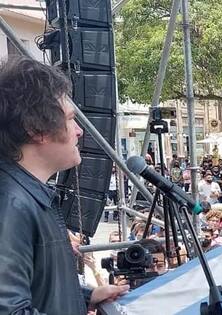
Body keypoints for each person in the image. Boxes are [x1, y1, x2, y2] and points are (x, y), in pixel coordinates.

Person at [0, 57, 128, 314]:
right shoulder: (11, 205)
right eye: (70, 119)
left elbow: (37, 289)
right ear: (36, 129)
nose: (79, 131)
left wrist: (86, 297)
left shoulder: (25, 196)